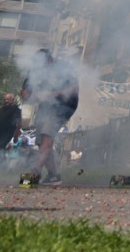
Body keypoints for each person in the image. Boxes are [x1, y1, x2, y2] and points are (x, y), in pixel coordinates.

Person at [21, 50, 79, 186]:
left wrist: (53, 94)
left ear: (50, 60)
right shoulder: (34, 72)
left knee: (47, 133)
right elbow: (24, 92)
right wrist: (31, 96)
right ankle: (54, 176)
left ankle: (36, 171)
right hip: (45, 107)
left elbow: (74, 88)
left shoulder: (63, 68)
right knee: (41, 141)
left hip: (64, 106)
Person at [0, 93, 23, 165]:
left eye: (8, 99)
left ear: (12, 100)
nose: (6, 101)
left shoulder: (15, 109)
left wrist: (16, 135)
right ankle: (2, 165)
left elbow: (19, 123)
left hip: (8, 132)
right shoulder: (2, 109)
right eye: (4, 99)